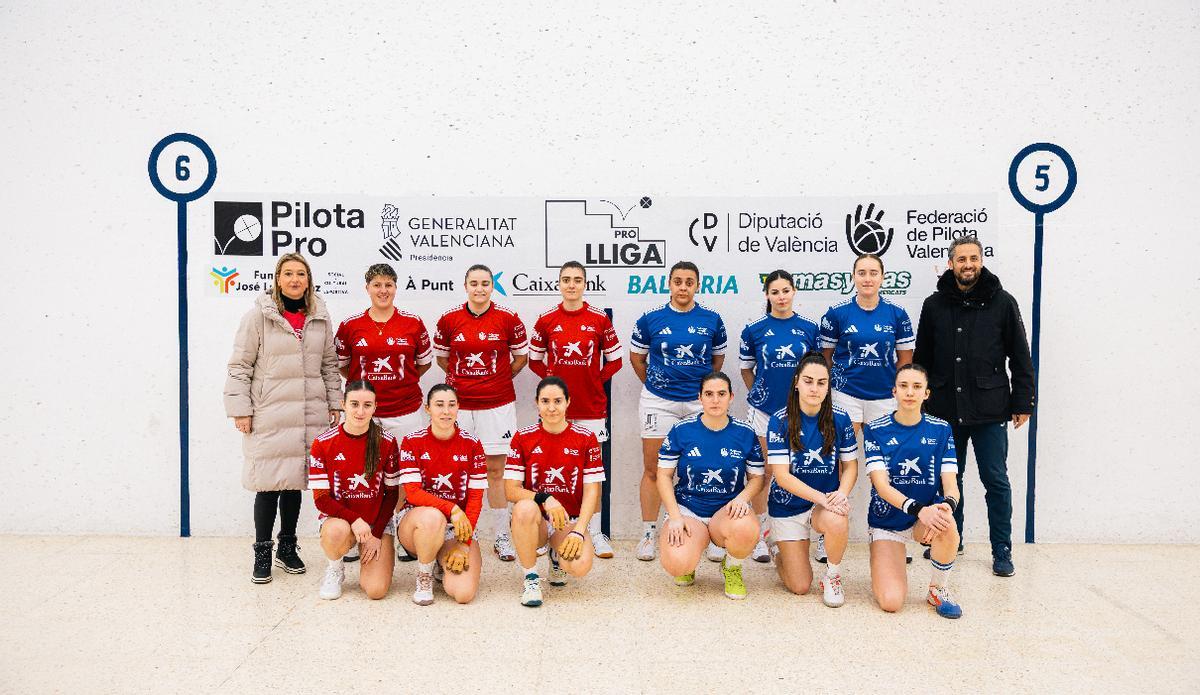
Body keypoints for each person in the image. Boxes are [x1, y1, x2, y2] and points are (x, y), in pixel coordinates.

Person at [913, 236, 1035, 577]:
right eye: (962, 259)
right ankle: (954, 538)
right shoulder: (934, 305)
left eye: (974, 258)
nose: (968, 264)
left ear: (981, 261)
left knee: (996, 479)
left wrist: (1023, 401)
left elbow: (1021, 357)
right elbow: (922, 357)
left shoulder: (1003, 302)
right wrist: (920, 404)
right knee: (951, 478)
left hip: (990, 409)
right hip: (943, 409)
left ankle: (1002, 550)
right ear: (950, 264)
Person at [225, 252, 341, 584]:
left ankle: (287, 548)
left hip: (308, 413)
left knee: (294, 484)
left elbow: (329, 365)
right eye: (288, 273)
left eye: (300, 274)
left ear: (308, 280)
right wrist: (240, 409)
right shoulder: (257, 318)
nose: (294, 280)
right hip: (270, 414)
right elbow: (240, 366)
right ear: (277, 279)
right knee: (267, 485)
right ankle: (262, 550)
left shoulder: (319, 317)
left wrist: (335, 403)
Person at [818, 253, 914, 565]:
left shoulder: (898, 315)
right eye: (862, 272)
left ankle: (895, 533)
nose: (868, 278)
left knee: (890, 465)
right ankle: (825, 533)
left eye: (873, 272)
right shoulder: (838, 314)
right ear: (854, 277)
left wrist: (897, 394)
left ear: (883, 277)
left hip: (884, 399)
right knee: (835, 460)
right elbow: (826, 358)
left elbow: (906, 361)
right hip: (845, 395)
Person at [629, 261, 727, 561]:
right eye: (677, 281)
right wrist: (660, 386)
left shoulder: (712, 319)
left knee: (702, 464)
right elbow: (637, 358)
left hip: (698, 402)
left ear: (697, 285)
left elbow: (717, 361)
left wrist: (701, 393)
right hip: (658, 402)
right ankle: (648, 532)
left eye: (689, 282)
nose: (683, 287)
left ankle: (709, 532)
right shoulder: (651, 319)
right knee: (654, 468)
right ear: (669, 284)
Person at [433, 264, 528, 562]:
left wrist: (494, 381)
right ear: (465, 286)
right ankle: (461, 531)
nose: (480, 288)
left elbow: (521, 358)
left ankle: (501, 535)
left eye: (485, 283)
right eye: (474, 283)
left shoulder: (508, 319)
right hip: (459, 406)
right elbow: (441, 358)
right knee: (457, 470)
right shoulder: (449, 320)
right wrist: (465, 383)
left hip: (498, 406)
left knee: (496, 472)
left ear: (492, 286)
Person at [528, 260, 623, 559]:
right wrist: (553, 389)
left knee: (590, 476)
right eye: (566, 279)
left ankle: (593, 531)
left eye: (577, 279)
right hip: (556, 411)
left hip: (592, 408)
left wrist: (595, 379)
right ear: (559, 283)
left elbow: (616, 360)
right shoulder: (546, 320)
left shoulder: (598, 319)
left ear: (585, 284)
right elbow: (534, 360)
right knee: (549, 470)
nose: (571, 284)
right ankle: (546, 533)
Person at [865, 364, 963, 619]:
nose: (910, 392)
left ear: (926, 394)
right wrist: (920, 510)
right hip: (887, 522)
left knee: (947, 523)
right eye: (904, 386)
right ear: (894, 391)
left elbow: (951, 485)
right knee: (891, 602)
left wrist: (946, 506)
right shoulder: (875, 429)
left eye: (917, 386)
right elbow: (881, 486)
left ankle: (938, 587)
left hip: (927, 519)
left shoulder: (941, 429)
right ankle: (883, 554)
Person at [657, 372, 764, 600]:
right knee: (678, 565)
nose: (715, 400)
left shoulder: (745, 433)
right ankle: (690, 558)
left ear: (731, 397)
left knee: (746, 530)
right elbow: (663, 476)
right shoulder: (681, 430)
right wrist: (675, 516)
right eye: (709, 394)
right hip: (689, 510)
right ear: (700, 397)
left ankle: (732, 567)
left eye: (721, 394)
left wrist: (742, 499)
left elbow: (757, 478)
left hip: (727, 510)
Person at [739, 269, 820, 562]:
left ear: (794, 292)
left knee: (805, 470)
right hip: (764, 412)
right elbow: (747, 369)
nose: (781, 297)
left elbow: (816, 371)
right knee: (764, 472)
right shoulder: (755, 328)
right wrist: (760, 394)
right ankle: (761, 535)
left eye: (786, 290)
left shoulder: (810, 327)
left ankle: (811, 532)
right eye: (775, 292)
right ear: (767, 295)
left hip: (802, 413)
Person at [766, 352, 858, 607]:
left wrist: (840, 494)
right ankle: (776, 547)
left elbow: (850, 466)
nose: (814, 388)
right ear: (796, 382)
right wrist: (823, 499)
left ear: (828, 386)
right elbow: (782, 476)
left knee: (837, 518)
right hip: (787, 506)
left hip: (822, 506)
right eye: (808, 381)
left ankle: (832, 576)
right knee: (799, 586)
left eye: (821, 382)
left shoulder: (840, 418)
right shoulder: (779, 420)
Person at [504, 377, 604, 607]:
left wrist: (579, 531)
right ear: (536, 403)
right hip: (535, 520)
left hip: (567, 521)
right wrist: (545, 498)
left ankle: (556, 557)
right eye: (545, 401)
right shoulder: (523, 437)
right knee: (525, 507)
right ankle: (531, 578)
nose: (551, 408)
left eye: (557, 401)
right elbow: (511, 490)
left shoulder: (586, 438)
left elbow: (592, 491)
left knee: (579, 566)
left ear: (568, 402)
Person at [395, 384, 487, 605]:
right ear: (427, 409)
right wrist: (452, 508)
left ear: (458, 408)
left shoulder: (472, 444)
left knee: (463, 593)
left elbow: (475, 499)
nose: (446, 411)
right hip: (418, 523)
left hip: (455, 529)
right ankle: (424, 574)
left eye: (451, 405)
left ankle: (440, 560)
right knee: (433, 517)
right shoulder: (412, 441)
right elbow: (413, 493)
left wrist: (464, 544)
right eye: (439, 405)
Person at [308, 381, 400, 601]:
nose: (360, 411)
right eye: (354, 404)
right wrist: (355, 519)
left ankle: (373, 555)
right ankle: (335, 568)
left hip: (376, 522)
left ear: (375, 407)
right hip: (342, 520)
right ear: (344, 405)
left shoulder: (387, 442)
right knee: (335, 532)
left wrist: (376, 533)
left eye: (367, 405)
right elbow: (321, 499)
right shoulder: (323, 443)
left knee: (376, 590)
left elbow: (392, 495)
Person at [335, 263, 433, 438]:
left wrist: (401, 381)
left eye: (388, 285)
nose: (383, 291)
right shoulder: (350, 325)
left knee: (407, 465)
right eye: (377, 285)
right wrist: (363, 385)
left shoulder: (413, 322)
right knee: (362, 465)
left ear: (395, 288)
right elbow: (343, 367)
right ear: (367, 288)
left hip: (405, 412)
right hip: (362, 413)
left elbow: (425, 363)